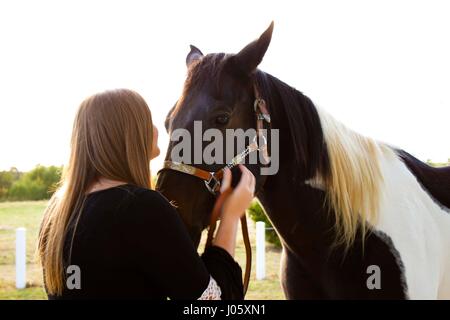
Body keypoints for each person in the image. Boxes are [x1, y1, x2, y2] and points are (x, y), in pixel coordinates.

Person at [37, 89, 255, 300]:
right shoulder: (141, 207)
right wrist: (231, 217)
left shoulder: (56, 212)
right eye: (147, 119)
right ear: (129, 133)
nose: (155, 128)